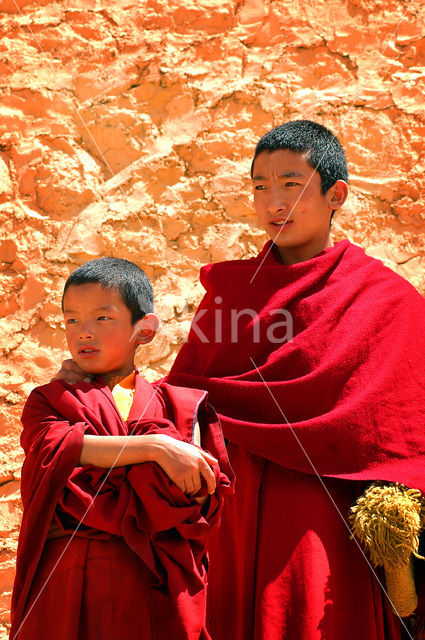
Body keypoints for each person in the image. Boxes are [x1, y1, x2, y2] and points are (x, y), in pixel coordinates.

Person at [54, 120, 425, 640]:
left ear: (335, 193)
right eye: (260, 187)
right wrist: (95, 381)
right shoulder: (232, 293)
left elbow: (406, 425)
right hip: (232, 508)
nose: (274, 202)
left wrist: (397, 508)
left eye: (292, 185)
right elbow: (181, 402)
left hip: (326, 515)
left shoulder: (386, 299)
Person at [11, 257, 233, 640]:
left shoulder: (175, 404)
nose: (83, 332)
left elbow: (197, 488)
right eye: (71, 320)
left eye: (101, 319)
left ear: (144, 330)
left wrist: (160, 453)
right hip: (69, 580)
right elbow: (56, 448)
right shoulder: (49, 400)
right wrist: (155, 447)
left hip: (151, 584)